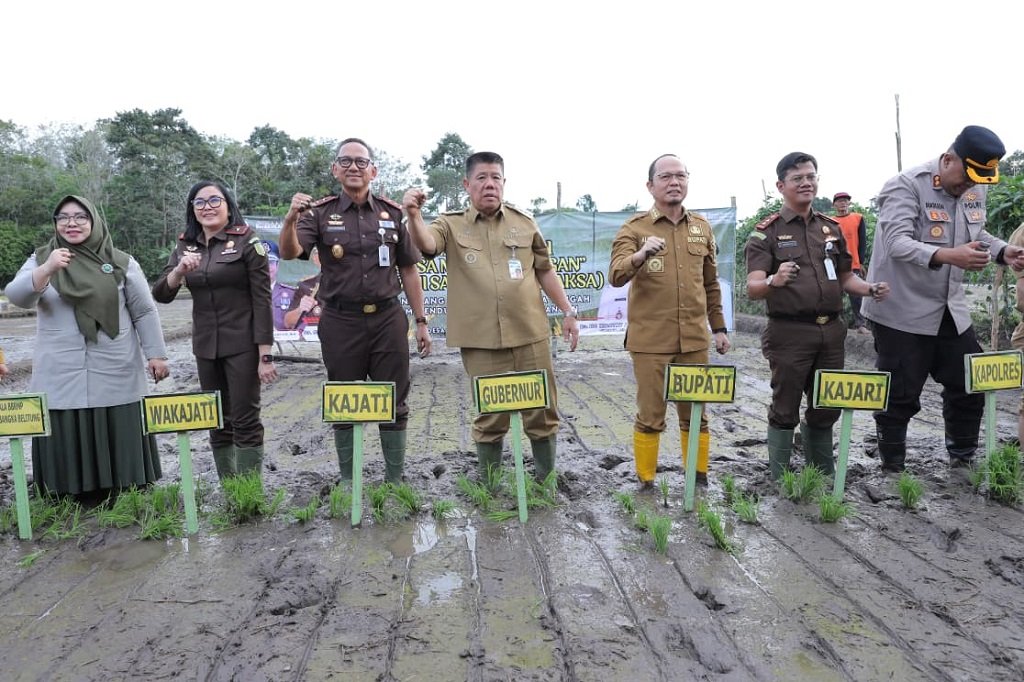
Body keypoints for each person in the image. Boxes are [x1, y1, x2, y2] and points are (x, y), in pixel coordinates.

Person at [404, 151, 580, 482]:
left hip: (531, 334)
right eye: (482, 178)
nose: (489, 185)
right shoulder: (450, 224)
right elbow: (426, 245)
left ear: (504, 183)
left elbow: (545, 271)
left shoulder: (525, 223)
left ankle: (546, 481)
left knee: (542, 411)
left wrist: (568, 311)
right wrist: (414, 215)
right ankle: (490, 485)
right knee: (491, 416)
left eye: (495, 178)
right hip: (481, 341)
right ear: (467, 184)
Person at [863, 125, 1024, 472]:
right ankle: (893, 467)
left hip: (950, 308)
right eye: (966, 176)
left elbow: (976, 232)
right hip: (900, 309)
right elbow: (897, 243)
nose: (969, 186)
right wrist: (950, 255)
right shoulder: (905, 186)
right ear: (948, 159)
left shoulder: (973, 188)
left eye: (977, 180)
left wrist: (1002, 251)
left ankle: (962, 459)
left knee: (968, 382)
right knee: (900, 392)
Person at [279, 138, 431, 484]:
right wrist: (290, 220)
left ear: (373, 171)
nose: (353, 167)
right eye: (345, 161)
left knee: (395, 397)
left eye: (361, 162)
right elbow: (290, 252)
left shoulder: (392, 214)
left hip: (387, 318)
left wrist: (420, 321)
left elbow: (408, 268)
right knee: (343, 399)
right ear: (335, 169)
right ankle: (349, 481)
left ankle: (394, 481)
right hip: (340, 320)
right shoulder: (318, 213)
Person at [5, 195, 169, 499]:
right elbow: (18, 296)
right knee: (64, 419)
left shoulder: (121, 261)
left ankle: (126, 488)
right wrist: (48, 269)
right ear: (55, 224)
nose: (72, 223)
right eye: (63, 218)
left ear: (93, 221)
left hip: (114, 360)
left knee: (117, 419)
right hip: (61, 364)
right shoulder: (42, 258)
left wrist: (156, 354)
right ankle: (66, 491)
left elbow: (144, 310)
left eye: (80, 216)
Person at [745, 153, 890, 480]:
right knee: (786, 406)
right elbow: (753, 286)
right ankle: (779, 478)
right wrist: (773, 279)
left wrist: (868, 289)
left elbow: (844, 277)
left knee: (826, 405)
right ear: (782, 186)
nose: (807, 183)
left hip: (831, 332)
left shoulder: (831, 228)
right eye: (798, 178)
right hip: (789, 334)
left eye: (811, 176)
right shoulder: (765, 233)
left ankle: (820, 477)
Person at [609, 154, 730, 488]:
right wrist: (640, 254)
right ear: (650, 185)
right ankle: (646, 481)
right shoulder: (634, 228)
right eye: (665, 177)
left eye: (681, 176)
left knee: (696, 414)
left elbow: (709, 284)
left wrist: (718, 328)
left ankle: (698, 477)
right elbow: (616, 275)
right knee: (651, 415)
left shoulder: (701, 228)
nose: (674, 182)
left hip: (694, 340)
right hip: (650, 343)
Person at [152, 181, 277, 481]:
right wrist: (179, 271)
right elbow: (160, 293)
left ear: (227, 204)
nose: (207, 207)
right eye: (199, 202)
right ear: (192, 209)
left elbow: (262, 300)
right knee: (216, 418)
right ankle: (230, 489)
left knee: (245, 419)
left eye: (214, 200)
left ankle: (249, 492)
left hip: (243, 344)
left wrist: (265, 354)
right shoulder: (185, 245)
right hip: (206, 346)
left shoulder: (248, 241)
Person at [832, 191, 868, 330]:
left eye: (845, 200)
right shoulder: (830, 221)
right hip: (834, 265)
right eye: (839, 201)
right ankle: (838, 323)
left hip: (853, 263)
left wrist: (860, 262)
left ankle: (861, 324)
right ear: (834, 204)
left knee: (856, 295)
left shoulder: (858, 218)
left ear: (849, 203)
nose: (843, 203)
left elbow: (863, 242)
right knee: (835, 295)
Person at [282, 246, 322, 331]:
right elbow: (288, 322)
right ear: (315, 258)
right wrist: (300, 309)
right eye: (322, 253)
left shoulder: (351, 285)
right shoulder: (306, 285)